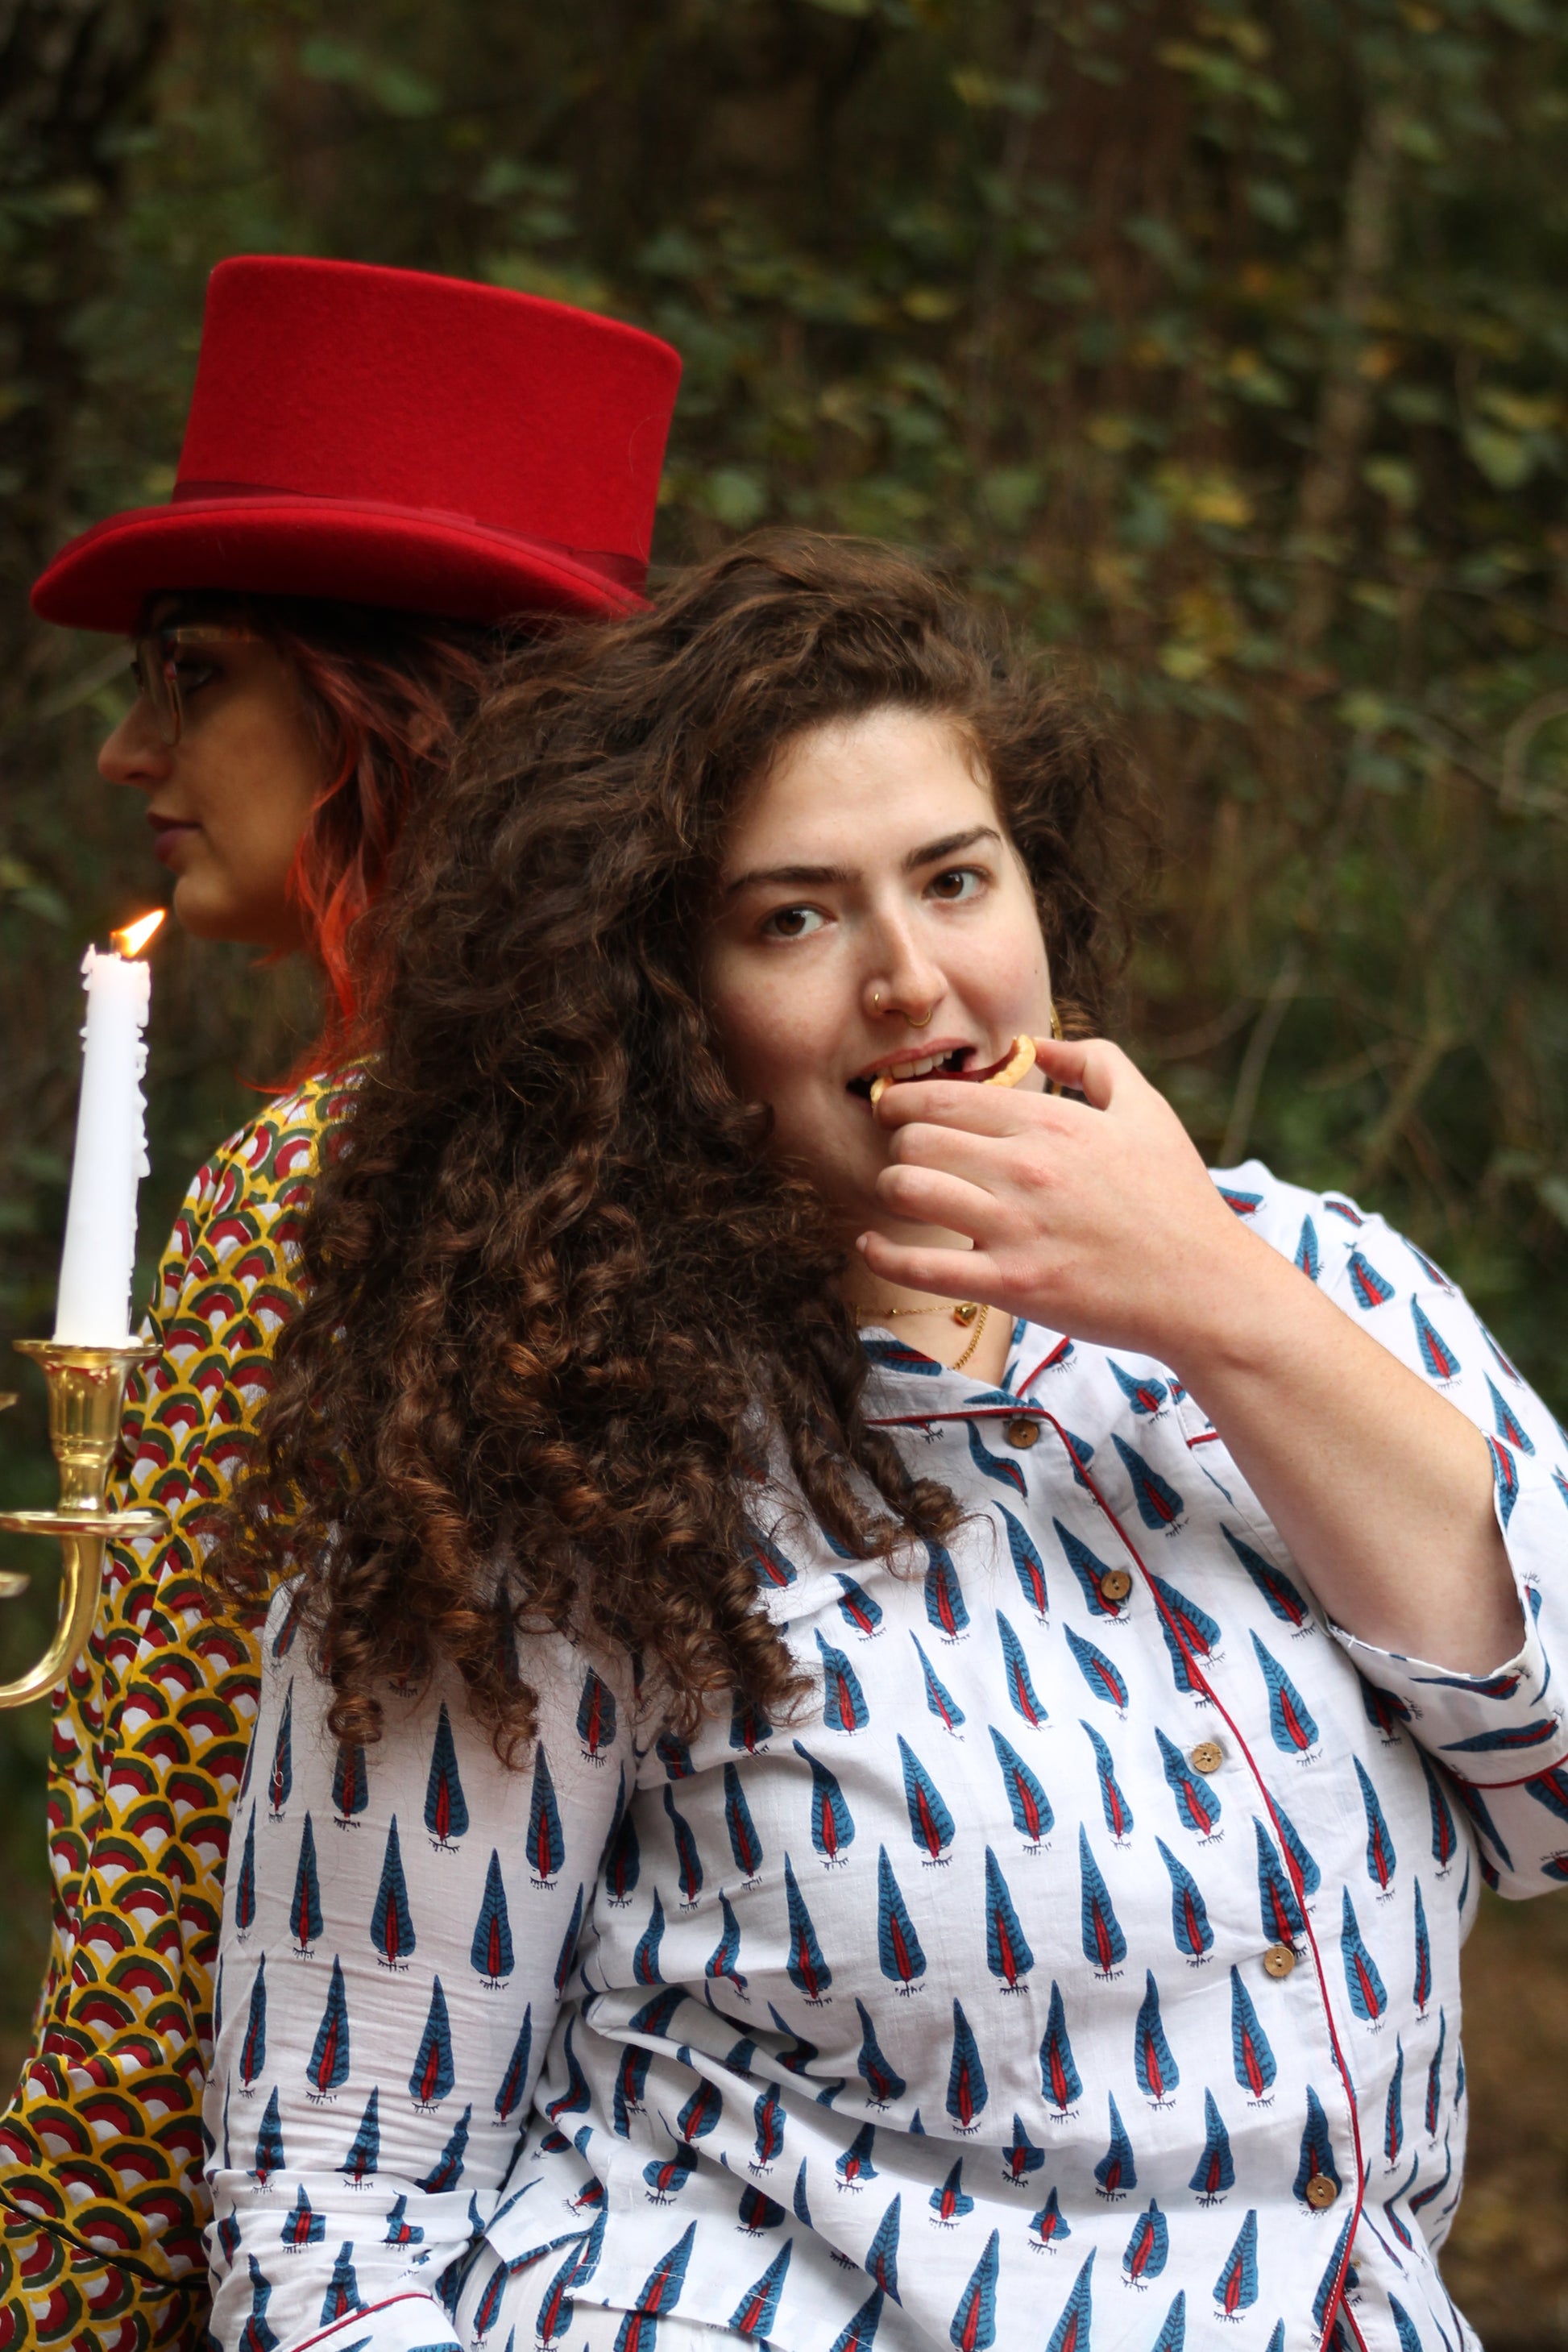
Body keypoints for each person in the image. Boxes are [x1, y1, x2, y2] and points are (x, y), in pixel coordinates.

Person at [205, 534, 1566, 2352]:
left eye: (953, 877)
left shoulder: (1315, 1280)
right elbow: (330, 2205)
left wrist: (1218, 1304)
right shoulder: (550, 1427)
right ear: (665, 1003)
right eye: (795, 914)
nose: (912, 980)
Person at [0, 254, 679, 2352]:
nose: (130, 752)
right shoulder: (707, 1133)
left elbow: (160, 1890)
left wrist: (60, 2307)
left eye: (189, 670)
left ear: (385, 697)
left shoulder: (321, 1194)